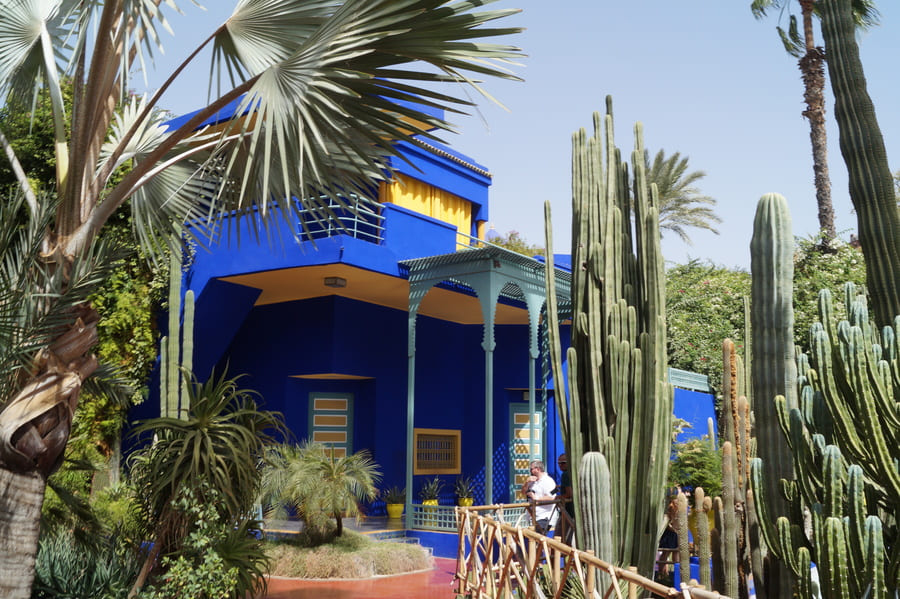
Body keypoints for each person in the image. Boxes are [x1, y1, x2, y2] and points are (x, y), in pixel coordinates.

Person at [521, 460, 556, 534]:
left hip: (544, 516)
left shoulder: (549, 481)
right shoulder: (532, 480)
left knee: (538, 540)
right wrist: (526, 482)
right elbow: (523, 492)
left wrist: (537, 499)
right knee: (534, 541)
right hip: (532, 515)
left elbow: (552, 497)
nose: (530, 471)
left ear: (538, 469)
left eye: (531, 469)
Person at [556, 453, 575, 543]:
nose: (560, 465)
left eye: (563, 463)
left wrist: (558, 497)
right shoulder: (573, 473)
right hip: (574, 512)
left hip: (567, 511)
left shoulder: (565, 475)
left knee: (558, 539)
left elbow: (569, 493)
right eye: (559, 463)